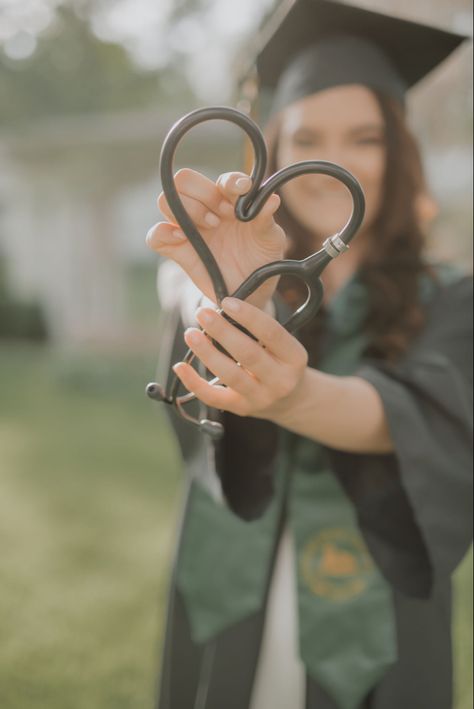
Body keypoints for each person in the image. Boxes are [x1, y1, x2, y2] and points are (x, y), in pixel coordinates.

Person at [146, 1, 473, 708]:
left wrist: (292, 394)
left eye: (364, 137)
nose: (335, 161)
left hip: (377, 603)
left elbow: (419, 418)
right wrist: (240, 307)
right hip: (229, 583)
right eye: (307, 135)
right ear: (272, 151)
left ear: (398, 149)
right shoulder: (225, 282)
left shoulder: (452, 295)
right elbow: (197, 429)